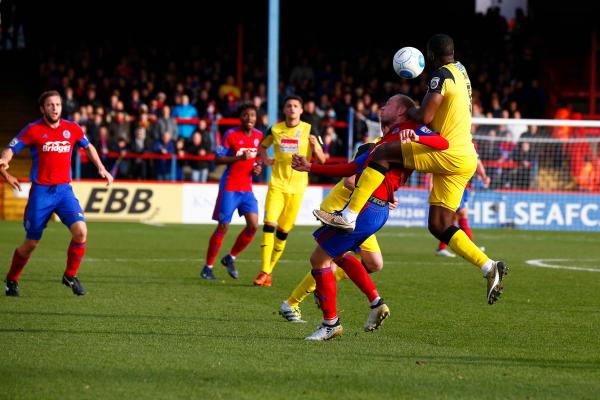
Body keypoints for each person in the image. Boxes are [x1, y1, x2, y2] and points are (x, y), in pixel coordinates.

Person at [315, 34, 509, 305]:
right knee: (439, 225)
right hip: (465, 157)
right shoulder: (461, 71)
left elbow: (425, 116)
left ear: (429, 56)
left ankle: (349, 214)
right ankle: (490, 267)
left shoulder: (440, 76)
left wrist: (411, 110)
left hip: (447, 151)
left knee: (381, 152)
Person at [290, 94, 449, 340]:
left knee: (319, 260)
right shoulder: (382, 142)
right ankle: (375, 303)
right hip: (373, 208)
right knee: (337, 256)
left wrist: (416, 136)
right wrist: (310, 167)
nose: (382, 106)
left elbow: (443, 142)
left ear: (400, 111)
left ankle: (330, 323)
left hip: (368, 207)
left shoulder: (410, 131)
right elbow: (351, 169)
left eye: (388, 104)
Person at [0, 90, 114, 297]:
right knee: (32, 242)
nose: (55, 108)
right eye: (50, 105)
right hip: (41, 194)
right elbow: (11, 148)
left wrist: (101, 168)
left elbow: (89, 147)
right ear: (42, 108)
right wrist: (5, 162)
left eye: (58, 105)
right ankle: (11, 279)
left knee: (81, 232)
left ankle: (70, 275)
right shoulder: (33, 129)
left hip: (64, 192)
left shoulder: (73, 128)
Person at [279, 143, 392, 323]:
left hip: (359, 216)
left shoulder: (390, 147)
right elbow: (349, 180)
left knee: (374, 263)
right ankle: (291, 304)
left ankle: (321, 287)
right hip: (339, 210)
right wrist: (376, 196)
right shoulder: (376, 147)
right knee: (327, 261)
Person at [253, 95, 326, 287]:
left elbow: (323, 159)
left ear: (301, 110)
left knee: (283, 231)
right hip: (277, 184)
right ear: (284, 110)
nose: (292, 109)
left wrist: (313, 148)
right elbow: (262, 146)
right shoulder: (275, 129)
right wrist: (265, 159)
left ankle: (268, 271)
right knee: (269, 223)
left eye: (295, 106)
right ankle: (264, 271)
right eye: (289, 106)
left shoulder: (310, 129)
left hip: (297, 188)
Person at [201, 103, 263, 280]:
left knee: (253, 226)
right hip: (229, 187)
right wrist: (238, 158)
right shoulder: (231, 134)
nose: (249, 118)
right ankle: (207, 267)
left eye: (252, 115)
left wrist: (258, 167)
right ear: (240, 117)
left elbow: (258, 159)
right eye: (246, 115)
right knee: (223, 226)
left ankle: (230, 257)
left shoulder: (259, 136)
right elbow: (218, 159)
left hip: (246, 189)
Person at [436, 158, 491, 257]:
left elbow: (477, 162)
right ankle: (470, 246)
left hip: (462, 184)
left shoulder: (467, 145)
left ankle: (442, 247)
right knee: (461, 214)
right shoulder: (464, 145)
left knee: (454, 218)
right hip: (456, 184)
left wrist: (483, 176)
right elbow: (477, 162)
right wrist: (484, 176)